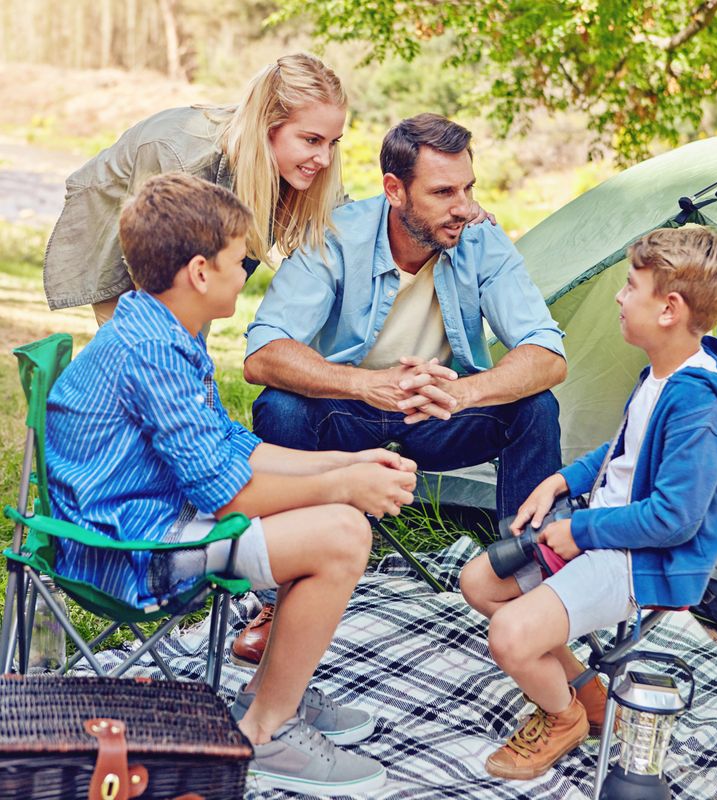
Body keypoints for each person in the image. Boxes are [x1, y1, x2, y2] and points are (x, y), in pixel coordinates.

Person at [46, 173, 420, 795]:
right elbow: (230, 496)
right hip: (127, 553)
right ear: (199, 271)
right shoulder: (152, 351)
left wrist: (347, 463)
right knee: (340, 534)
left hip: (141, 524)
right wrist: (344, 491)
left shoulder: (165, 329)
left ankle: (275, 695)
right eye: (238, 259)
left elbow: (233, 448)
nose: (248, 270)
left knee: (337, 514)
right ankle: (265, 731)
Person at [237, 113, 567, 665]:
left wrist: (465, 393)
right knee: (282, 406)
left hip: (439, 412)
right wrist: (367, 385)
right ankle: (279, 599)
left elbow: (547, 354)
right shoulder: (337, 233)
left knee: (535, 406)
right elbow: (263, 352)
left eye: (467, 189)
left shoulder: (480, 239)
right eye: (442, 192)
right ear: (395, 189)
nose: (462, 206)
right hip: (348, 412)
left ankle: (527, 594)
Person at [459, 226, 717, 780]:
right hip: (606, 531)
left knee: (509, 635)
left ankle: (562, 718)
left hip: (642, 559)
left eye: (632, 286)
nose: (619, 295)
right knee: (479, 582)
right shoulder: (664, 376)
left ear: (669, 309)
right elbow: (624, 448)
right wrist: (560, 483)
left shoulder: (701, 408)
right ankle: (587, 691)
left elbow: (674, 519)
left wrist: (580, 531)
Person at [44, 53, 347, 325]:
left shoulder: (299, 164)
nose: (324, 159)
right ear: (268, 127)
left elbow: (347, 218)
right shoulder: (184, 162)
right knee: (144, 352)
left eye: (333, 142)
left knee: (187, 355)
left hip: (194, 246)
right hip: (121, 225)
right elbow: (157, 280)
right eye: (311, 140)